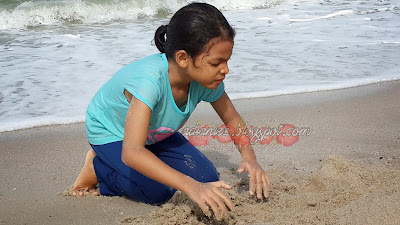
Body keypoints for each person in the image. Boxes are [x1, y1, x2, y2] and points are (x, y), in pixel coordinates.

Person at [70, 2, 270, 221]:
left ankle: (147, 159)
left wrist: (249, 157)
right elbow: (132, 152)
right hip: (111, 133)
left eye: (227, 60)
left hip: (154, 133)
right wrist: (190, 186)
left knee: (207, 177)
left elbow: (232, 118)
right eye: (216, 62)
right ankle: (97, 167)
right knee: (158, 191)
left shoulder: (207, 80)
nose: (225, 70)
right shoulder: (150, 82)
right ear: (183, 58)